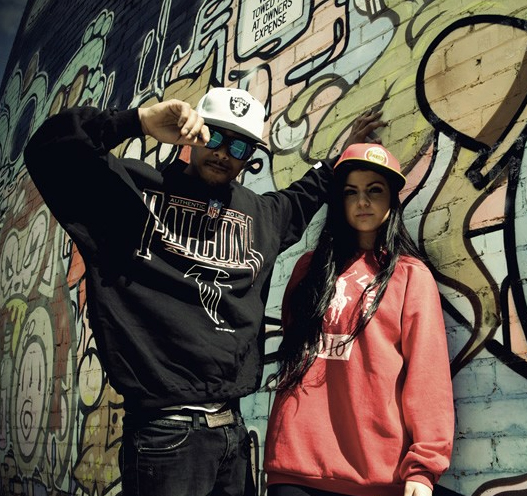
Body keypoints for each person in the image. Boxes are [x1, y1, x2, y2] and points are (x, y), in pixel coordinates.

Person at [23, 87, 385, 496]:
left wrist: (343, 156)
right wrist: (139, 121)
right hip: (165, 436)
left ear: (249, 157)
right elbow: (49, 150)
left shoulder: (261, 215)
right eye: (213, 137)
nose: (223, 153)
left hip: (231, 434)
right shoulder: (131, 193)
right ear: (193, 133)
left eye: (239, 146)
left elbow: (307, 192)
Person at [263, 143, 455, 496]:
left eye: (374, 190)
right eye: (351, 192)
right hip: (295, 465)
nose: (362, 201)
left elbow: (428, 374)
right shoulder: (309, 269)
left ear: (392, 199)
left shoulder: (409, 275)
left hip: (375, 472)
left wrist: (424, 467)